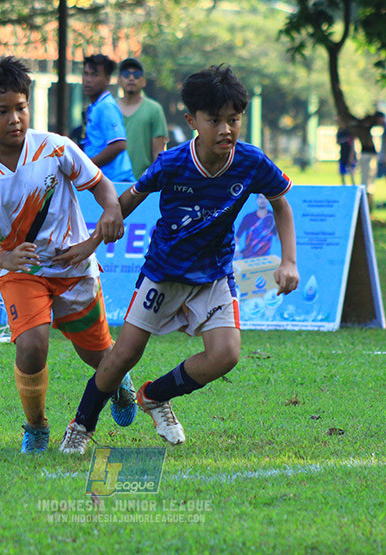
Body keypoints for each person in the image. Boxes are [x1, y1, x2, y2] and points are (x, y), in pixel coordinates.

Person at [58, 65, 299, 454]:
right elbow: (129, 199)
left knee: (226, 354)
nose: (226, 129)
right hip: (164, 273)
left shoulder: (251, 162)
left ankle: (154, 395)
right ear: (192, 122)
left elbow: (281, 206)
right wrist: (91, 242)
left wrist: (288, 261)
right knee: (123, 355)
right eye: (214, 120)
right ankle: (81, 424)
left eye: (233, 120)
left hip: (214, 274)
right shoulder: (172, 163)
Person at [0, 56, 138, 454]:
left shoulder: (56, 148)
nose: (15, 118)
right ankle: (36, 426)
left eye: (21, 107)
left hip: (74, 268)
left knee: (99, 356)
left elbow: (100, 184)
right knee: (32, 346)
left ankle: (119, 383)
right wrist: (6, 260)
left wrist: (110, 210)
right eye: (2, 111)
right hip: (23, 272)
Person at [81, 54, 134, 182]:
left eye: (94, 75)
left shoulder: (106, 106)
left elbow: (119, 144)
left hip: (117, 181)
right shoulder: (96, 106)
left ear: (107, 79)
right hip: (106, 181)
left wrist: (86, 166)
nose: (88, 79)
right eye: (86, 73)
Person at [117, 57, 168, 179]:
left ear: (143, 81)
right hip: (112, 181)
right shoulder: (109, 108)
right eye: (126, 74)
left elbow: (158, 153)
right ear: (119, 80)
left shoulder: (154, 109)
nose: (131, 78)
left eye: (136, 74)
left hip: (143, 184)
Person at [234, 193, 277, 260]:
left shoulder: (274, 217)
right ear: (257, 200)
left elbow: (279, 237)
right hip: (247, 258)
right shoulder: (248, 217)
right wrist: (236, 251)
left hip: (265, 259)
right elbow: (237, 237)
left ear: (268, 200)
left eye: (265, 198)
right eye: (260, 198)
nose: (262, 200)